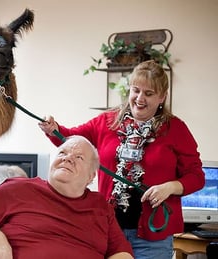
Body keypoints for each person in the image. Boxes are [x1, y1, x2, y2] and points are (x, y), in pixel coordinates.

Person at [38, 60, 205, 259]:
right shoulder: (107, 121)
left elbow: (196, 176)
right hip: (108, 230)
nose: (140, 98)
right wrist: (53, 128)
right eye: (136, 90)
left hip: (153, 240)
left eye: (149, 93)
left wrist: (169, 187)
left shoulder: (176, 129)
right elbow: (71, 139)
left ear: (162, 97)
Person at [0, 135, 134, 259]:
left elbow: (122, 253)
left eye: (79, 157)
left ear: (91, 176)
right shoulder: (17, 188)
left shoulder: (100, 207)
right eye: (62, 153)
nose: (68, 158)